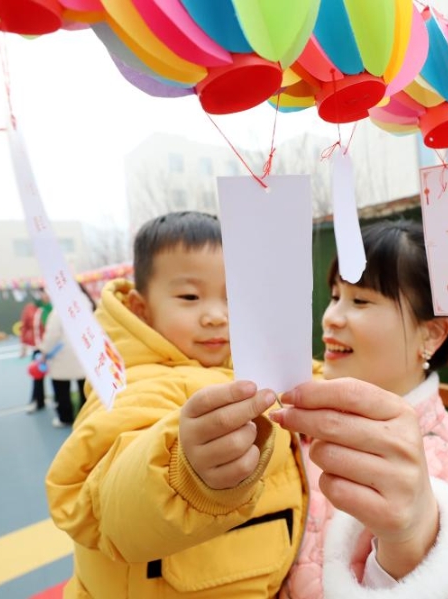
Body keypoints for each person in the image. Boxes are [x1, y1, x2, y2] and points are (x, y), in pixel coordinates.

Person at [271, 220, 448, 597]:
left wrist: (414, 541)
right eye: (335, 296)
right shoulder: (288, 424)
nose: (331, 317)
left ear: (431, 333)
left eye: (361, 300)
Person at [46, 212, 306, 598]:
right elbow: (104, 500)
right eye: (189, 296)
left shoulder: (250, 365)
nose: (217, 315)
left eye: (233, 296)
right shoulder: (133, 384)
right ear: (140, 308)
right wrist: (185, 473)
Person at [38, 284, 96, 427]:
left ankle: (65, 418)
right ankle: (87, 417)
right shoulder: (90, 306)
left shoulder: (59, 311)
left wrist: (44, 351)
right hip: (86, 354)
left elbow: (52, 335)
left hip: (63, 356)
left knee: (62, 389)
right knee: (86, 389)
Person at [20, 288, 51, 413]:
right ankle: (38, 401)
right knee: (37, 375)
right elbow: (24, 327)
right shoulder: (30, 308)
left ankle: (61, 401)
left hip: (56, 348)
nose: (45, 295)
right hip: (39, 348)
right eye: (42, 292)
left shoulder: (54, 308)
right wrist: (23, 346)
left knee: (58, 377)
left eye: (47, 291)